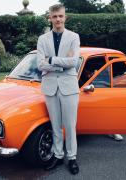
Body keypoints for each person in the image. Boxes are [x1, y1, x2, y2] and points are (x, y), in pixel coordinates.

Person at [37, 4, 80, 175]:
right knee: (55, 125)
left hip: (69, 87)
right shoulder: (42, 39)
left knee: (70, 126)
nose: (58, 20)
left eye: (60, 16)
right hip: (50, 87)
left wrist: (52, 60)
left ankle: (72, 157)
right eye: (54, 17)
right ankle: (58, 155)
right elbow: (40, 64)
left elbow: (74, 62)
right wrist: (62, 63)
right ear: (50, 18)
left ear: (65, 17)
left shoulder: (74, 37)